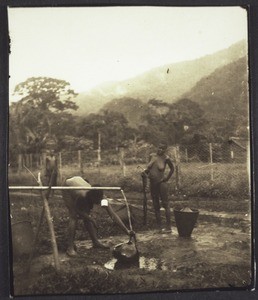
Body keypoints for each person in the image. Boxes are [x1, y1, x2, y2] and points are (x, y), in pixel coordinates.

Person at [62, 176, 135, 256]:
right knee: (73, 217)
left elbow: (113, 215)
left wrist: (127, 231)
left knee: (87, 215)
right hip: (68, 185)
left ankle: (95, 242)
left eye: (99, 201)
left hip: (79, 181)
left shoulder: (102, 198)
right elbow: (77, 210)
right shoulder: (82, 196)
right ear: (91, 198)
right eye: (96, 201)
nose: (98, 203)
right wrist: (91, 219)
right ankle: (70, 248)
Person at [142, 142, 174, 233]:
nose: (159, 150)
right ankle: (159, 227)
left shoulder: (166, 158)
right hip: (153, 184)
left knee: (165, 204)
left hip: (161, 184)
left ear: (165, 150)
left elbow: (172, 169)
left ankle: (168, 227)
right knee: (156, 206)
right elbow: (149, 169)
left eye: (162, 148)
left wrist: (166, 178)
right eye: (159, 148)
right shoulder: (152, 156)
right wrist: (144, 173)